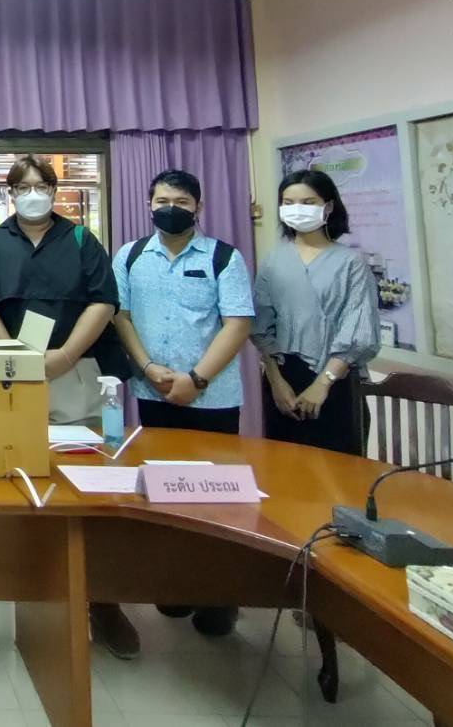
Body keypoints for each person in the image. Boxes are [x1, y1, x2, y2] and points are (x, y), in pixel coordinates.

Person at [0, 154, 136, 659]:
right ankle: (30, 580)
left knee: (84, 483)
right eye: (23, 187)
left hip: (75, 371)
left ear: (55, 191)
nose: (32, 194)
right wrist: (15, 356)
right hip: (10, 374)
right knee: (18, 472)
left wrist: (65, 356)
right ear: (10, 194)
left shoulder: (81, 239)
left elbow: (103, 302)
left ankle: (102, 598)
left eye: (41, 186)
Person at [113, 168, 255, 638]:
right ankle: (175, 584)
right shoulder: (131, 255)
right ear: (148, 205)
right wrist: (148, 368)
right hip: (152, 392)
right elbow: (121, 317)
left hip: (212, 399)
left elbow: (237, 323)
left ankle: (220, 597)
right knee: (163, 495)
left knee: (216, 502)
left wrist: (196, 379)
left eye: (180, 201)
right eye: (161, 201)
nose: (170, 209)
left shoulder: (224, 257)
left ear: (198, 207)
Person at [253, 170, 380, 455]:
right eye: (288, 203)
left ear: (329, 206)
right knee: (283, 468)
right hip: (283, 382)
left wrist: (323, 384)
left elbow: (358, 330)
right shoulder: (274, 261)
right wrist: (275, 381)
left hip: (337, 381)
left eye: (308, 202)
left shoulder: (351, 263)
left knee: (338, 473)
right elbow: (261, 328)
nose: (297, 209)